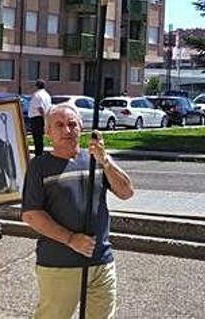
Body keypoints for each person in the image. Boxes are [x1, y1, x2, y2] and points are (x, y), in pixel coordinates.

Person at [21, 104, 135, 319]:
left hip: (100, 259)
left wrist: (106, 161)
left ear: (81, 127)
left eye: (72, 124)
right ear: (48, 133)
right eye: (60, 125)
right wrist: (71, 239)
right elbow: (31, 214)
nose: (67, 130)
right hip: (59, 263)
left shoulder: (95, 160)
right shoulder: (40, 166)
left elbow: (126, 192)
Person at [29, 79, 52, 157]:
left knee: (37, 137)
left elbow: (40, 108)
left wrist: (44, 118)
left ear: (37, 86)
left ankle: (38, 155)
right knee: (40, 138)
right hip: (44, 117)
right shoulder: (47, 95)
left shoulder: (37, 95)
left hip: (37, 118)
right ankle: (40, 153)